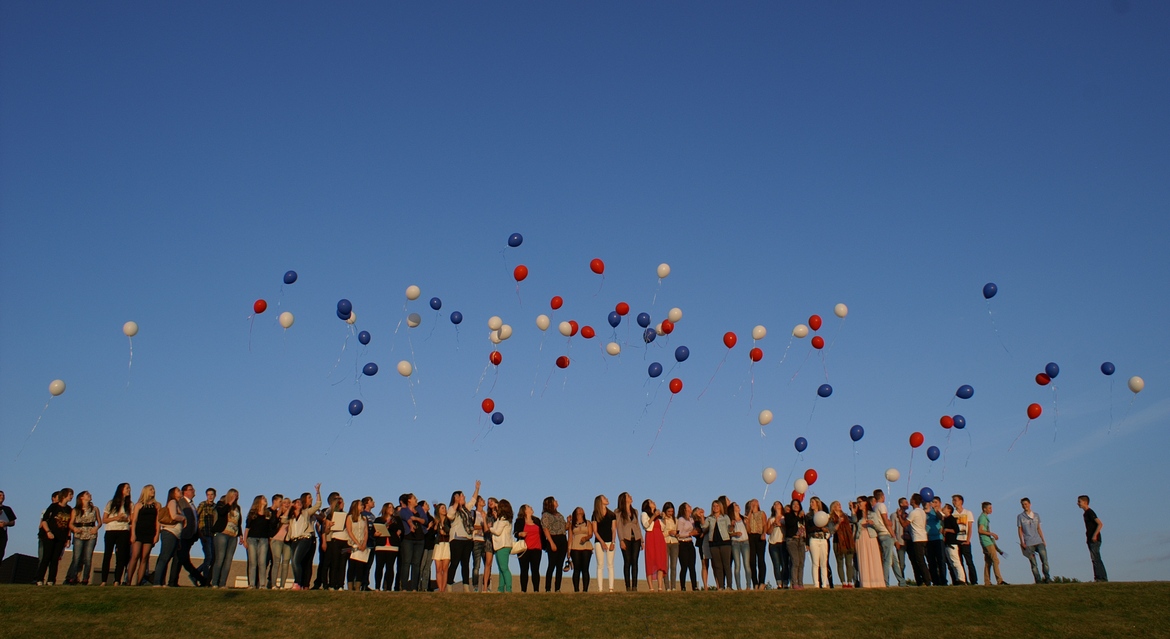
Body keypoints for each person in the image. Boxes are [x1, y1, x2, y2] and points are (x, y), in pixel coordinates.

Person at [285, 484, 321, 590]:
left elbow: (318, 505)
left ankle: (298, 583)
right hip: (294, 540)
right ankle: (298, 583)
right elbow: (283, 520)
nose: (299, 504)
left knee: (296, 560)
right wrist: (290, 508)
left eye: (300, 503)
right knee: (295, 562)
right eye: (297, 503)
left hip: (305, 538)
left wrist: (318, 492)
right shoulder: (290, 517)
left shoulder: (306, 513)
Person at [447, 481, 481, 591]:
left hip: (468, 538)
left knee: (465, 564)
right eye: (461, 495)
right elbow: (450, 516)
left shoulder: (467, 509)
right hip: (457, 539)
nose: (464, 497)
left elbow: (473, 500)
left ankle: (466, 586)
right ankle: (449, 585)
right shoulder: (453, 509)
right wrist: (456, 503)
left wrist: (476, 489)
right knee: (455, 562)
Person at [37, 488, 74, 585]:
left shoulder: (69, 509)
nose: (71, 497)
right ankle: (39, 579)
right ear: (65, 495)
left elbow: (69, 525)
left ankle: (51, 580)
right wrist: (48, 532)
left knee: (55, 559)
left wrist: (68, 538)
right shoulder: (54, 507)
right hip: (50, 535)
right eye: (70, 494)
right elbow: (44, 520)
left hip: (61, 537)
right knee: (46, 557)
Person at [152, 487, 187, 587]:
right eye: (178, 491)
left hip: (176, 534)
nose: (180, 492)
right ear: (173, 493)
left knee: (168, 557)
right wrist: (184, 518)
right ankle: (157, 581)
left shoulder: (178, 504)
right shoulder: (172, 502)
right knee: (164, 557)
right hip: (169, 532)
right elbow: (173, 516)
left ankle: (161, 581)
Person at [65, 490, 101, 585]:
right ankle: (73, 577)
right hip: (79, 533)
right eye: (87, 494)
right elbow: (71, 523)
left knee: (88, 558)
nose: (89, 495)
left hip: (91, 534)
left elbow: (99, 522)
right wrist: (74, 529)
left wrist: (96, 528)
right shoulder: (76, 510)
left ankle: (85, 578)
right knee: (77, 557)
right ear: (81, 497)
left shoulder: (95, 509)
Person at [100, 483, 132, 586]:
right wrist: (115, 518)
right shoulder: (111, 503)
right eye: (126, 488)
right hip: (111, 530)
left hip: (123, 530)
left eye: (129, 488)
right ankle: (104, 580)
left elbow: (131, 519)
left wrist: (125, 519)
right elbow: (104, 519)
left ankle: (117, 580)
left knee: (121, 556)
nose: (129, 490)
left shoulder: (130, 504)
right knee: (107, 554)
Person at [126, 485, 158, 587]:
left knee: (144, 558)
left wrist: (157, 535)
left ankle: (139, 582)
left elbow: (158, 522)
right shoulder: (139, 505)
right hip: (139, 532)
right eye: (151, 489)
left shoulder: (157, 505)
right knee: (135, 556)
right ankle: (128, 581)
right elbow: (134, 520)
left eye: (153, 489)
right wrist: (133, 534)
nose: (153, 491)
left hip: (150, 533)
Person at [210, 489, 242, 588]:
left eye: (237, 496)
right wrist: (230, 502)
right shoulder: (221, 504)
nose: (236, 497)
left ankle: (222, 583)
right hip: (222, 534)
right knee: (220, 558)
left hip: (233, 536)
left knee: (228, 560)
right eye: (234, 495)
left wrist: (240, 535)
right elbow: (221, 512)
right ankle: (215, 582)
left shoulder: (237, 508)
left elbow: (238, 522)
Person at [173, 484, 203, 587]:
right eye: (191, 489)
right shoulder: (182, 502)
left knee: (183, 559)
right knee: (181, 558)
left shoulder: (192, 504)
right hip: (183, 535)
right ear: (185, 492)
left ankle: (174, 580)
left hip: (190, 536)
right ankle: (200, 578)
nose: (193, 491)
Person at [1017, 498, 1050, 584]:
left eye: (1026, 504)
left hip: (1038, 541)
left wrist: (1043, 540)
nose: (1025, 506)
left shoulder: (1036, 515)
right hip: (1028, 543)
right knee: (1033, 563)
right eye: (1023, 504)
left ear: (1030, 504)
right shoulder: (1020, 517)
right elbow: (1020, 530)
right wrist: (1022, 542)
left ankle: (1047, 577)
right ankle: (1038, 579)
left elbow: (1039, 528)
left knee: (1045, 560)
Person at [397, 493, 426, 591]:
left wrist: (416, 518)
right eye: (414, 498)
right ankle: (404, 586)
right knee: (406, 562)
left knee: (416, 563)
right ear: (409, 500)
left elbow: (424, 520)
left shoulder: (419, 509)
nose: (416, 499)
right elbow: (407, 518)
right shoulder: (403, 510)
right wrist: (411, 524)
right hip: (408, 538)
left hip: (420, 538)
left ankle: (414, 587)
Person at [874, 489, 902, 587]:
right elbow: (886, 521)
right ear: (882, 496)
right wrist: (893, 536)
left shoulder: (875, 507)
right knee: (887, 560)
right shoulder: (881, 506)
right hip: (886, 534)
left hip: (881, 534)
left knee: (894, 559)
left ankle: (901, 581)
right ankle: (885, 581)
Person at [703, 500, 733, 590]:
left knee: (726, 565)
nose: (715, 508)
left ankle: (729, 585)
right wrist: (701, 518)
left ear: (720, 507)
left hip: (725, 542)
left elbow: (729, 530)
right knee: (718, 565)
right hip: (713, 543)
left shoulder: (725, 517)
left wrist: (732, 527)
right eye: (714, 506)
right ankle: (721, 586)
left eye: (717, 506)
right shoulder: (709, 518)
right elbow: (704, 528)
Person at [855, 497, 884, 588]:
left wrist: (873, 523)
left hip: (870, 537)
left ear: (865, 503)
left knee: (873, 558)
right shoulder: (857, 516)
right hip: (861, 538)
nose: (858, 504)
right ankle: (865, 583)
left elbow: (880, 527)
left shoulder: (872, 514)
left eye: (860, 502)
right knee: (863, 559)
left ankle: (876, 582)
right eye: (858, 502)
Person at [615, 492, 642, 592]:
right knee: (627, 561)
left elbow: (637, 526)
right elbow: (619, 527)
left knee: (635, 561)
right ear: (624, 499)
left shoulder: (635, 511)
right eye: (628, 496)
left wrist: (641, 540)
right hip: (626, 538)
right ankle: (627, 585)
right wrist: (621, 540)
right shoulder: (618, 512)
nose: (631, 497)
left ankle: (635, 585)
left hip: (636, 538)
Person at [243, 495, 270, 589]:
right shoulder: (252, 513)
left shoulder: (268, 514)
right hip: (252, 539)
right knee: (252, 562)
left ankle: (262, 584)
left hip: (264, 539)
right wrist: (244, 540)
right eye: (263, 498)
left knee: (262, 562)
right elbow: (247, 528)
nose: (265, 500)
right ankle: (252, 584)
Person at [541, 496, 567, 593]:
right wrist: (551, 542)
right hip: (553, 538)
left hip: (562, 539)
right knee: (552, 564)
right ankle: (548, 588)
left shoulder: (559, 515)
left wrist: (568, 522)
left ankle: (557, 588)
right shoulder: (546, 515)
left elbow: (564, 527)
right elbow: (545, 529)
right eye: (554, 501)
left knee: (559, 565)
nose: (557, 501)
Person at [977, 501, 1007, 586]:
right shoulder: (983, 518)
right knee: (995, 560)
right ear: (984, 509)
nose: (991, 510)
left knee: (988, 561)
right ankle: (999, 580)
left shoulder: (985, 517)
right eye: (989, 508)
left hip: (986, 541)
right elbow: (980, 530)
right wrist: (991, 534)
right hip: (986, 542)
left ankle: (987, 581)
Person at [591, 494, 617, 592]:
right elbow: (595, 530)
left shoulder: (612, 514)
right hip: (599, 542)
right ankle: (600, 588)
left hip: (610, 541)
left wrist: (613, 542)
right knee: (600, 565)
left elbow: (614, 529)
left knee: (610, 564)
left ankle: (611, 588)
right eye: (604, 498)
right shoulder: (595, 515)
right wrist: (602, 542)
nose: (607, 499)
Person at [514, 504, 543, 592]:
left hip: (536, 549)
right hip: (524, 549)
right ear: (525, 510)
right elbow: (515, 533)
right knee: (524, 570)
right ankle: (523, 590)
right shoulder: (519, 521)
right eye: (529, 507)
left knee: (535, 570)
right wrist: (520, 534)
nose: (531, 507)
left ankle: (536, 590)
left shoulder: (537, 520)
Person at [325, 494, 351, 590]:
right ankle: (332, 583)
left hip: (345, 541)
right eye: (341, 503)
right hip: (336, 539)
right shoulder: (330, 515)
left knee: (343, 562)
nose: (343, 504)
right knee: (335, 562)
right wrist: (329, 526)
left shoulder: (347, 515)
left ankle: (340, 584)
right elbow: (326, 531)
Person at [1078, 495, 1106, 582]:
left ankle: (1100, 577)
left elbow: (1100, 524)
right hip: (1090, 539)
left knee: (1096, 558)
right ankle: (1099, 577)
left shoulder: (1090, 512)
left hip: (1094, 539)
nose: (1078, 503)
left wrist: (1094, 535)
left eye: (1079, 501)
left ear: (1085, 502)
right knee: (1095, 559)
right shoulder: (1085, 514)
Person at [641, 499, 667, 592]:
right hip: (651, 538)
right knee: (650, 560)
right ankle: (651, 587)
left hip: (659, 537)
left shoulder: (658, 516)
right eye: (651, 502)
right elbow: (646, 525)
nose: (654, 502)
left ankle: (660, 586)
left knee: (660, 561)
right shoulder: (644, 514)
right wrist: (654, 516)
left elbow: (663, 527)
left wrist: (663, 518)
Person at [952, 494, 978, 585]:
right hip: (956, 540)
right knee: (959, 562)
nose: (954, 502)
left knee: (969, 561)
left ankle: (974, 580)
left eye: (955, 500)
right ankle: (963, 580)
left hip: (964, 539)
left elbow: (970, 527)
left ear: (961, 501)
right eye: (953, 500)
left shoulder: (968, 512)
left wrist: (968, 539)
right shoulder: (953, 514)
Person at [372, 502, 399, 591]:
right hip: (381, 546)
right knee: (379, 566)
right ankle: (377, 587)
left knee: (390, 567)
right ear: (385, 509)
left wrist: (399, 531)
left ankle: (388, 587)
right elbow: (373, 532)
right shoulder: (378, 519)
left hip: (392, 546)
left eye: (392, 507)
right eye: (389, 507)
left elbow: (401, 529)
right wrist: (375, 534)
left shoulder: (396, 520)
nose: (391, 509)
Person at [490, 499, 515, 593]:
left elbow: (497, 531)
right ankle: (501, 588)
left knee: (504, 568)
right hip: (502, 546)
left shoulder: (503, 519)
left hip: (502, 546)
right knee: (501, 568)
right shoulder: (504, 519)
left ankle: (508, 588)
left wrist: (489, 528)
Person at [830, 500, 855, 588]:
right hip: (838, 542)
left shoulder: (846, 516)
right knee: (840, 562)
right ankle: (843, 582)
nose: (839, 505)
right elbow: (832, 530)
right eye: (837, 504)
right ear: (833, 507)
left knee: (849, 563)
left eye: (840, 504)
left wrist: (852, 509)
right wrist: (838, 522)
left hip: (848, 541)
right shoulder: (831, 518)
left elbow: (854, 520)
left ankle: (850, 581)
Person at [806, 497, 830, 589]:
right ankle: (816, 583)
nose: (811, 504)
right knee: (815, 563)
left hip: (823, 539)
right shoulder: (808, 516)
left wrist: (825, 529)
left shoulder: (824, 514)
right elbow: (807, 529)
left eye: (813, 502)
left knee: (824, 562)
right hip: (813, 539)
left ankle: (824, 583)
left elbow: (828, 527)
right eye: (810, 502)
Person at [567, 506, 593, 592]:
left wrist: (586, 538)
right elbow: (570, 537)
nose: (581, 510)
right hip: (575, 546)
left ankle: (585, 589)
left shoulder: (588, 523)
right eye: (578, 509)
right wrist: (568, 550)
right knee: (576, 569)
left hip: (586, 546)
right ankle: (576, 589)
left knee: (585, 568)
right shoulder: (572, 524)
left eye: (582, 509)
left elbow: (590, 534)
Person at [345, 499, 369, 591]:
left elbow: (366, 531)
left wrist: (364, 543)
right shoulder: (350, 517)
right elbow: (350, 531)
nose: (362, 507)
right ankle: (350, 586)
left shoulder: (364, 518)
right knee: (352, 566)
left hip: (362, 545)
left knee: (360, 567)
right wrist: (357, 543)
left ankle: (358, 585)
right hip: (353, 545)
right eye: (360, 505)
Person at [195, 488, 218, 586]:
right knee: (208, 557)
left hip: (213, 535)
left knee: (212, 558)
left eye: (212, 494)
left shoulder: (216, 507)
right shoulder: (202, 505)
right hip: (204, 533)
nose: (210, 496)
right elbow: (196, 516)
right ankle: (205, 580)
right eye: (208, 494)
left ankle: (196, 573)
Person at [782, 499, 806, 589]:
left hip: (801, 540)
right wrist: (798, 517)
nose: (796, 506)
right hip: (792, 540)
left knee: (801, 562)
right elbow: (790, 524)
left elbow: (804, 528)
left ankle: (800, 582)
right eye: (794, 504)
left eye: (797, 504)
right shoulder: (788, 516)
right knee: (795, 561)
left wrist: (806, 542)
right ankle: (794, 582)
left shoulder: (803, 517)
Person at [744, 499, 767, 590]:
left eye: (755, 502)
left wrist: (763, 533)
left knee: (760, 559)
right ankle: (755, 582)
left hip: (760, 536)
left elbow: (764, 524)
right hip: (751, 537)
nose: (754, 503)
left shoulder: (762, 513)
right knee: (752, 560)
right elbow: (748, 528)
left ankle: (762, 581)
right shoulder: (748, 515)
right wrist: (750, 512)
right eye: (752, 502)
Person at [907, 494, 930, 586]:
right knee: (921, 560)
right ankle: (924, 579)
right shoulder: (922, 512)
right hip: (923, 537)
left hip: (918, 539)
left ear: (914, 501)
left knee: (920, 560)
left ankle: (927, 580)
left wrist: (899, 516)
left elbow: (905, 523)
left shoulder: (914, 512)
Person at [941, 504, 966, 585]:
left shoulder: (951, 518)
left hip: (952, 544)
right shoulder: (945, 519)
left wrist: (947, 530)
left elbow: (956, 530)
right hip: (947, 544)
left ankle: (961, 579)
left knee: (956, 562)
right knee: (952, 563)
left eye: (944, 508)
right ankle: (957, 579)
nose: (943, 509)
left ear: (949, 510)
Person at [676, 503, 698, 591]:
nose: (690, 507)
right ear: (684, 509)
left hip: (690, 543)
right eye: (688, 506)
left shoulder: (691, 520)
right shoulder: (681, 520)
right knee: (684, 566)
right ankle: (683, 586)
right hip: (683, 543)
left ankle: (694, 586)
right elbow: (679, 534)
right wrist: (689, 534)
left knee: (692, 566)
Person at [766, 501, 787, 589]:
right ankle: (779, 583)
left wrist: (781, 525)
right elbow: (768, 532)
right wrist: (773, 525)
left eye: (778, 503)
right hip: (773, 543)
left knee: (784, 564)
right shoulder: (771, 519)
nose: (776, 505)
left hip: (783, 542)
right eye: (774, 504)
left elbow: (788, 529)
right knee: (776, 564)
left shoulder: (785, 518)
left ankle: (785, 581)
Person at [728, 502, 749, 590]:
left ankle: (748, 586)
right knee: (737, 565)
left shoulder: (744, 518)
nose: (738, 506)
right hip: (735, 542)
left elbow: (748, 530)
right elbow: (729, 532)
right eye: (736, 505)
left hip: (745, 542)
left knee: (747, 564)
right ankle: (739, 587)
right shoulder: (730, 519)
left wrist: (747, 523)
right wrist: (733, 529)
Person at [432, 502, 451, 592]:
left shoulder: (448, 520)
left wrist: (445, 531)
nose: (444, 510)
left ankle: (443, 589)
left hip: (446, 544)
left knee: (445, 568)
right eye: (442, 508)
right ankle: (440, 589)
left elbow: (450, 530)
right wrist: (436, 524)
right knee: (438, 568)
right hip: (438, 544)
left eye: (445, 508)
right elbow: (433, 531)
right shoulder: (435, 521)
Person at [661, 502, 679, 591]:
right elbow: (660, 534)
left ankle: (674, 586)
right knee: (666, 565)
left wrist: (676, 534)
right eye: (669, 511)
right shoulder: (662, 521)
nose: (670, 513)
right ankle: (667, 586)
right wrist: (668, 532)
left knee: (674, 565)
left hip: (675, 543)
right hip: (665, 542)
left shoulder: (676, 520)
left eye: (672, 511)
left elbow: (678, 531)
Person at [895, 497, 911, 587]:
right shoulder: (895, 515)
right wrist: (895, 541)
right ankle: (902, 581)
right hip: (900, 541)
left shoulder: (908, 515)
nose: (907, 503)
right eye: (905, 502)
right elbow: (893, 529)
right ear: (901, 504)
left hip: (909, 540)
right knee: (901, 563)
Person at [693, 507, 709, 590]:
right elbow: (698, 532)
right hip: (702, 544)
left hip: (710, 542)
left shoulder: (708, 519)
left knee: (714, 564)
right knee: (704, 564)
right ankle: (705, 585)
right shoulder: (695, 522)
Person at [0, 490, 17, 565]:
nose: (2, 497)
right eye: (0, 495)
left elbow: (13, 522)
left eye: (3, 496)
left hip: (2, 536)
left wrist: (6, 523)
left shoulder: (7, 509)